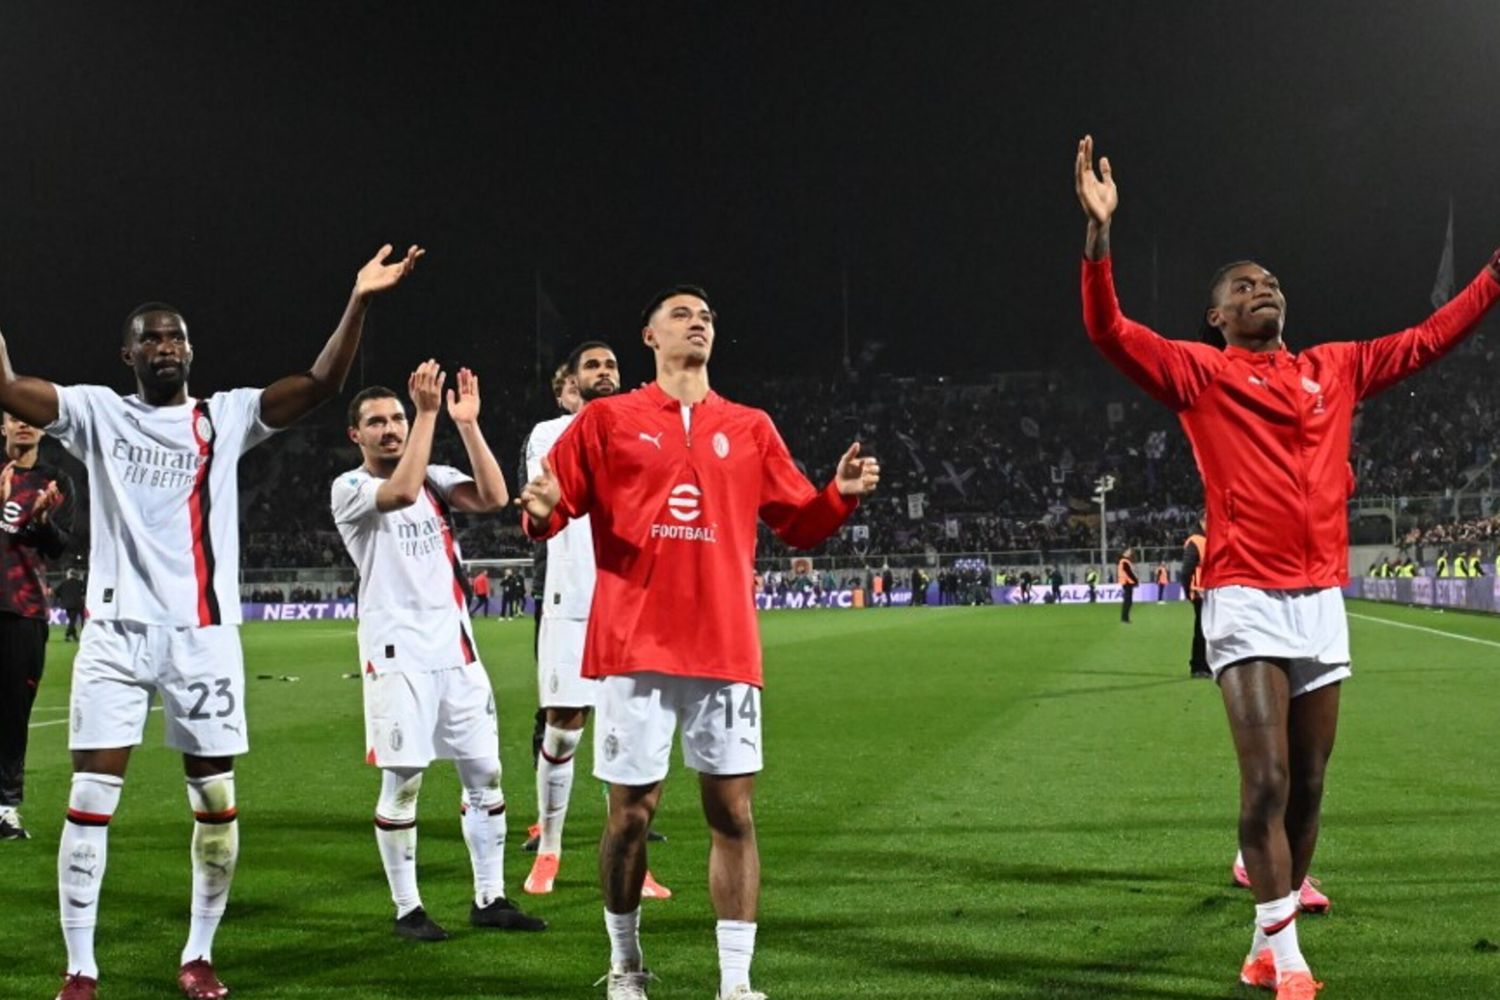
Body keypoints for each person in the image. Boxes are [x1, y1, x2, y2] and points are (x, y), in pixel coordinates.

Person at [1077, 134, 1500, 998]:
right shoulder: (1198, 374)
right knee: (1265, 776)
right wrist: (1098, 239)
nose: (1261, 288)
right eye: (1241, 287)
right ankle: (1282, 952)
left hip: (1320, 602)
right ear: (1217, 320)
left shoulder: (1334, 368)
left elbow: (1425, 340)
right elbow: (1109, 331)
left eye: (1268, 280)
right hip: (1243, 596)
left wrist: (1493, 276)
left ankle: (1271, 924)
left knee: (1309, 783)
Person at [0, 242, 424, 1000]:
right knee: (91, 800)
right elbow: (6, 387)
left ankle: (198, 954)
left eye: (177, 336)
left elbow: (324, 383)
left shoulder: (224, 416)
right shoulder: (96, 411)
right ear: (127, 352)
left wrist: (359, 299)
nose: (167, 346)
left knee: (214, 802)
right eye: (152, 337)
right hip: (116, 634)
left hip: (204, 638)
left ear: (190, 349)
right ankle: (81, 967)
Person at [516, 285, 879, 1000]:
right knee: (629, 819)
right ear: (649, 337)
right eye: (681, 314)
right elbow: (554, 511)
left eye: (707, 315)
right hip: (631, 647)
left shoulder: (750, 427)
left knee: (733, 814)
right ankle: (625, 968)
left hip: (723, 647)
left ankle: (736, 985)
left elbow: (799, 523)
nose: (698, 322)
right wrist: (539, 513)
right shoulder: (606, 421)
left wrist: (837, 494)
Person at [333, 362, 545, 941]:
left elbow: (496, 496)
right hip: (397, 657)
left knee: (486, 774)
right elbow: (398, 491)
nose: (390, 428)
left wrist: (468, 425)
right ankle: (408, 909)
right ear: (356, 435)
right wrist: (428, 414)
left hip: (457, 651)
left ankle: (490, 897)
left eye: (397, 417)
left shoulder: (436, 476)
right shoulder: (350, 488)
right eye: (376, 422)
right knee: (404, 781)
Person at [519, 340, 669, 900]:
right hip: (571, 596)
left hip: (633, 600)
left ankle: (634, 860)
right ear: (574, 381)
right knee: (563, 725)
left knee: (630, 736)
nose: (603, 372)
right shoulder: (550, 433)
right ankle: (551, 850)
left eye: (610, 365)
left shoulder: (649, 427)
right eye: (592, 366)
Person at [0, 413, 72, 841]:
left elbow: (62, 548)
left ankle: (5, 810)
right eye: (14, 418)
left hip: (23, 610)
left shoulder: (56, 482)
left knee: (12, 716)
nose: (23, 424)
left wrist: (41, 521)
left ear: (43, 429)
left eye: (31, 420)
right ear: (1, 426)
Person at [1182, 516, 1210, 679]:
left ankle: (1204, 665)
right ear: (1202, 521)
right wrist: (1188, 591)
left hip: (1208, 591)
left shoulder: (1205, 540)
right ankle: (1198, 666)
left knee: (1206, 629)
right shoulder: (1196, 540)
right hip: (1200, 592)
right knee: (1201, 630)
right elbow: (1186, 570)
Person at [56, 569, 86, 643]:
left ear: (69, 575)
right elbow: (85, 590)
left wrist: (63, 598)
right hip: (78, 604)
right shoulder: (79, 582)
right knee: (80, 620)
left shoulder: (64, 583)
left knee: (72, 620)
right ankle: (68, 634)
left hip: (67, 605)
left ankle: (73, 636)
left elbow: (56, 592)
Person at [1117, 547, 1138, 623]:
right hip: (1127, 582)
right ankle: (1125, 618)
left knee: (1128, 601)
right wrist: (1135, 581)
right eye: (1129, 551)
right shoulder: (1124, 561)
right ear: (1125, 552)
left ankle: (1125, 618)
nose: (1130, 552)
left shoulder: (1124, 561)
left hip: (1126, 582)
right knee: (1128, 601)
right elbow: (1129, 573)